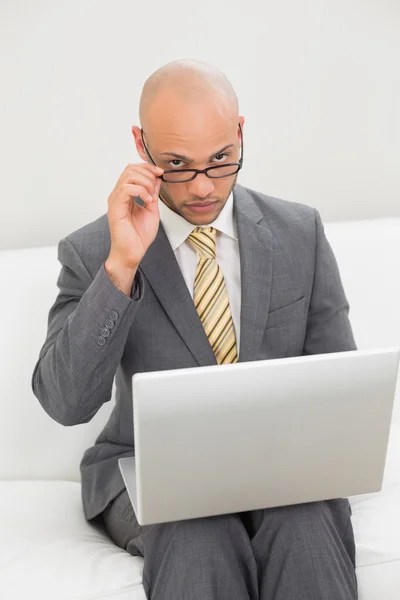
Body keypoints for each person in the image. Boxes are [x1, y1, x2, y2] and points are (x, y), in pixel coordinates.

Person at [31, 58, 358, 599]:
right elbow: (65, 404)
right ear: (142, 146)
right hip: (152, 475)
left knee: (304, 526)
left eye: (222, 159)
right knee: (198, 533)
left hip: (284, 469)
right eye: (177, 165)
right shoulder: (95, 252)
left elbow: (342, 389)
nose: (203, 186)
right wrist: (121, 268)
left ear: (240, 133)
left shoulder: (300, 233)